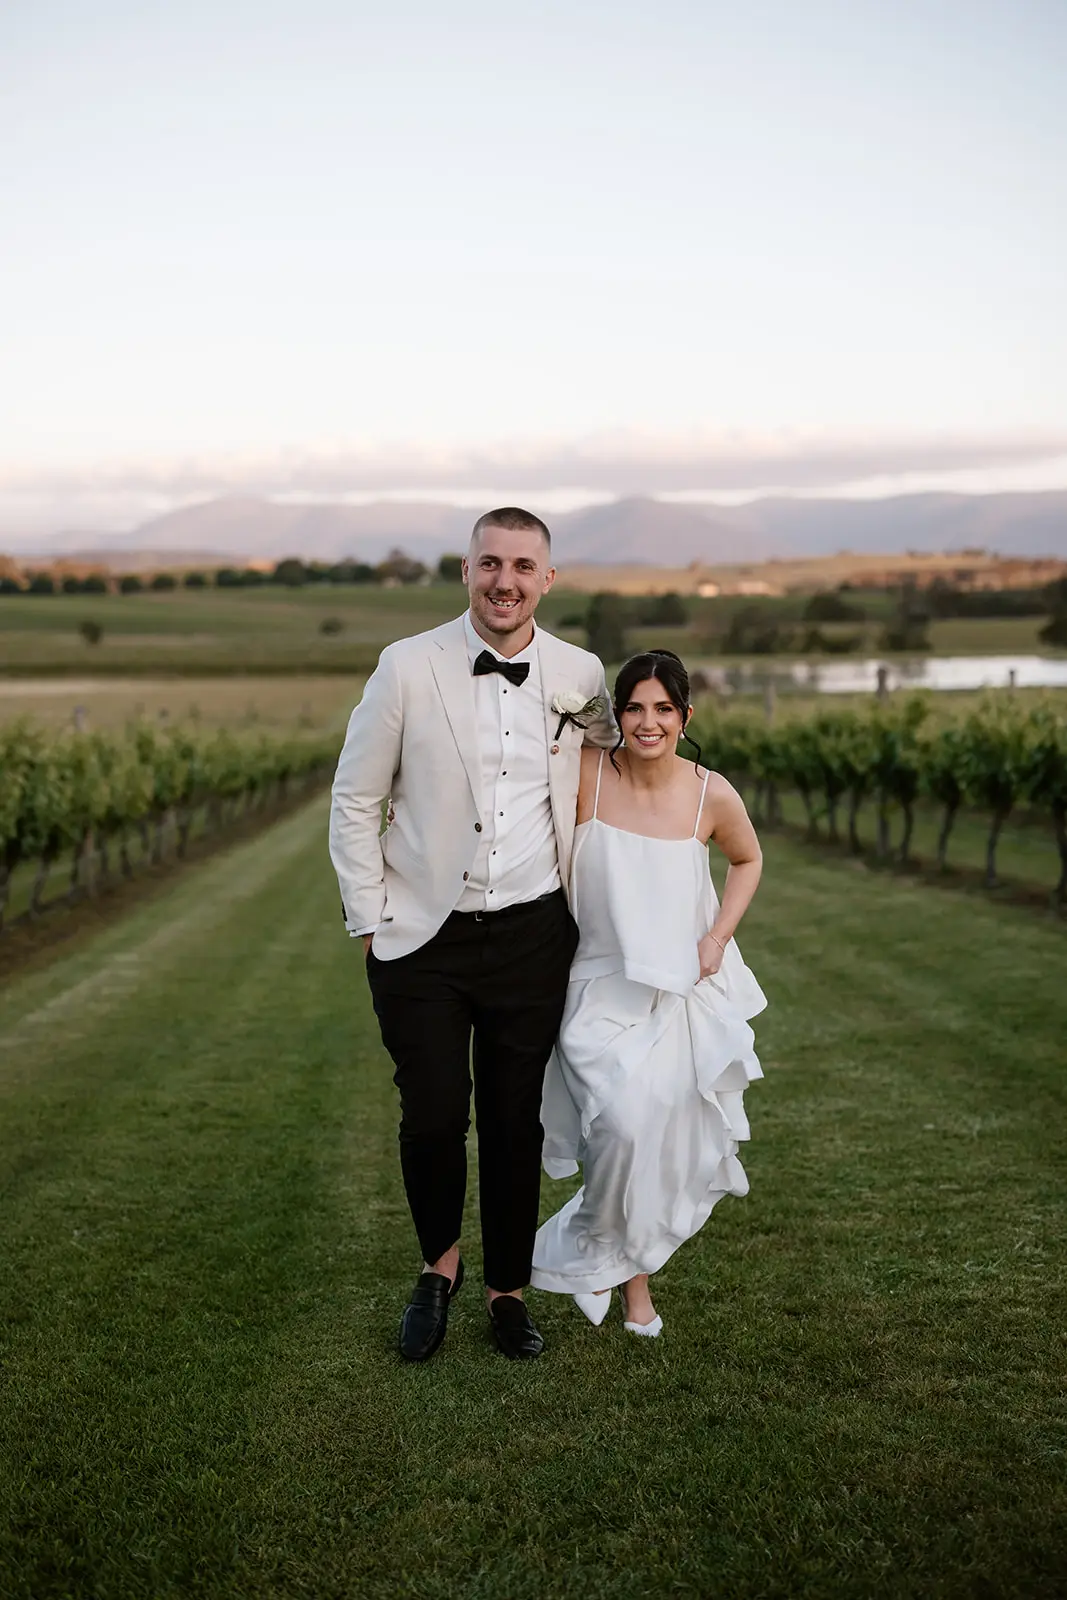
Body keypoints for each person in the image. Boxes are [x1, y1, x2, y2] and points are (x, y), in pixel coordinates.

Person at [329, 507, 615, 1361]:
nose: (506, 581)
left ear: (547, 580)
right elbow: (353, 799)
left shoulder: (579, 670)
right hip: (420, 935)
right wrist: (370, 918)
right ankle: (437, 1269)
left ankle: (507, 1293)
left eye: (523, 567)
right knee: (431, 1115)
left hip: (533, 932)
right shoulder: (405, 666)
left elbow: (619, 762)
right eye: (490, 563)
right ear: (465, 571)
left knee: (513, 1119)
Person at [530, 649, 766, 1335]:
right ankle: (596, 1253)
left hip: (680, 993)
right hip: (596, 989)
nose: (647, 721)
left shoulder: (708, 792)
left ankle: (632, 1288)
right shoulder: (583, 776)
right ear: (616, 713)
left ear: (685, 716)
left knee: (659, 1139)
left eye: (663, 708)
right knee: (620, 1131)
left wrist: (718, 936)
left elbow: (748, 858)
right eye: (633, 706)